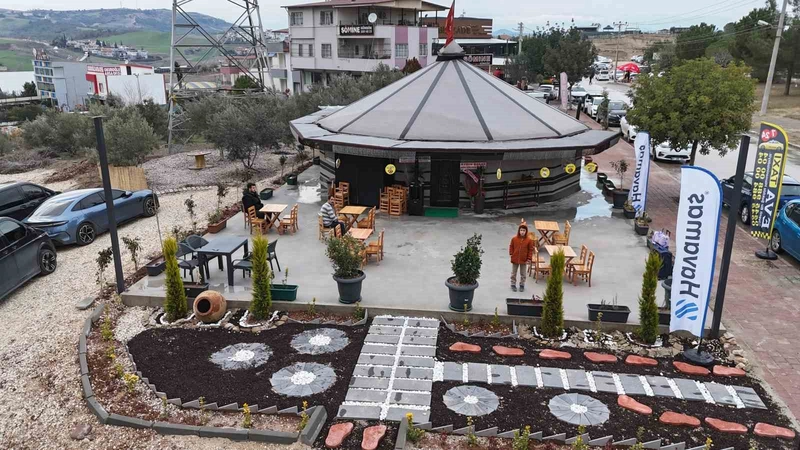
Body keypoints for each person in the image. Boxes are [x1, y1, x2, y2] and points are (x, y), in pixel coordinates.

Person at [509, 220, 535, 292]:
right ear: (519, 231)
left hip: (524, 259)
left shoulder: (529, 240)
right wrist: (511, 253)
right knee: (513, 273)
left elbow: (530, 250)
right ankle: (513, 284)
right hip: (515, 259)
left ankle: (522, 285)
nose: (522, 232)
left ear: (526, 231)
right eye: (521, 230)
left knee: (523, 273)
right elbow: (511, 246)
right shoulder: (514, 239)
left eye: (524, 230)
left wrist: (529, 258)